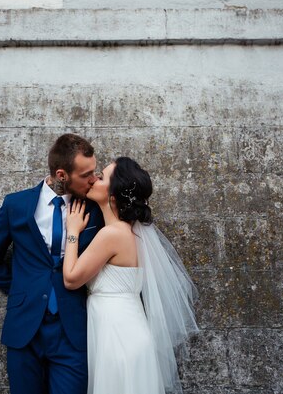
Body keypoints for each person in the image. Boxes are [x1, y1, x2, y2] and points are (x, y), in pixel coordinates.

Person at [0, 133, 104, 394]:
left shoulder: (95, 209)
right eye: (85, 174)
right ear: (61, 174)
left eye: (95, 171)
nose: (94, 179)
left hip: (72, 331)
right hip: (25, 330)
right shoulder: (16, 205)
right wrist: (23, 289)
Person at [63, 157, 199, 394]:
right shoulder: (129, 233)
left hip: (118, 337)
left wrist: (72, 231)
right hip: (126, 331)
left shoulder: (112, 234)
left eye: (102, 177)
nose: (94, 179)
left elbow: (71, 279)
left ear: (113, 195)